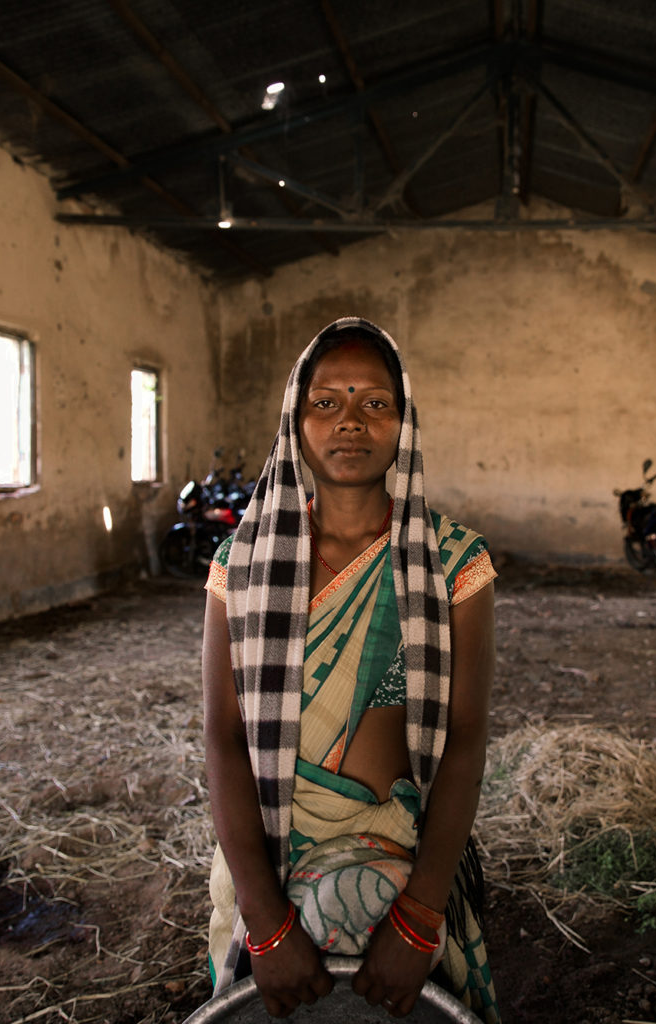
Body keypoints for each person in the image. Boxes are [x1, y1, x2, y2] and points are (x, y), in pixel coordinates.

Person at [200, 317, 500, 1021]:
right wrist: (267, 920)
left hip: (401, 848)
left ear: (404, 422)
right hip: (268, 852)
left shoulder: (454, 563)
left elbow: (465, 737)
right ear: (295, 420)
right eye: (326, 402)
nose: (350, 423)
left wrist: (421, 913)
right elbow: (223, 739)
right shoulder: (241, 569)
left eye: (375, 403)